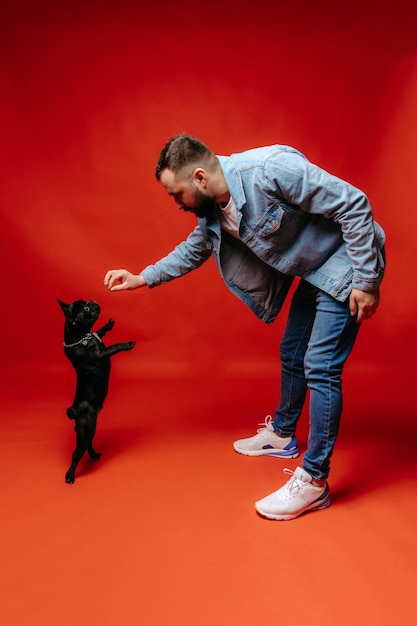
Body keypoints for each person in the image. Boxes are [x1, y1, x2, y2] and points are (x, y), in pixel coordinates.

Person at [104, 133, 385, 521]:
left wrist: (366, 282)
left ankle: (315, 481)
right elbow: (195, 248)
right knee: (292, 352)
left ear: (200, 178)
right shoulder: (215, 209)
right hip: (315, 270)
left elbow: (354, 204)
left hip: (348, 263)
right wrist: (142, 277)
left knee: (320, 366)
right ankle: (283, 436)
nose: (176, 203)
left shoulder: (269, 170)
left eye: (176, 194)